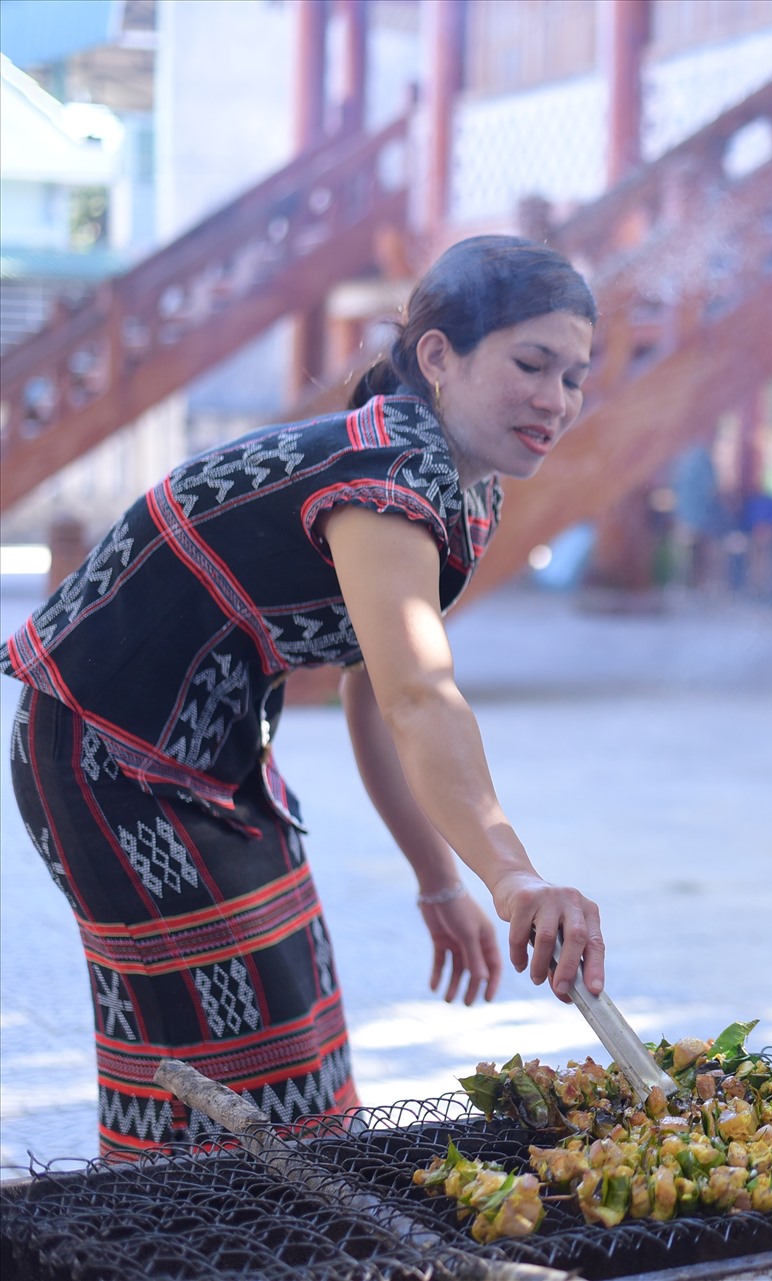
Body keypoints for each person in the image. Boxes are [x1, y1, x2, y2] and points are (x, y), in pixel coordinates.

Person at [2, 236, 608, 1154]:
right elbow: (421, 695)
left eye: (574, 376)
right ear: (439, 356)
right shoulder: (391, 469)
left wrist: (441, 877)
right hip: (104, 749)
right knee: (211, 1053)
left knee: (296, 1015)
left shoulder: (462, 486)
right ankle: (177, 1241)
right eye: (532, 364)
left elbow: (376, 689)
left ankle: (278, 1233)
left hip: (218, 753)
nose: (556, 400)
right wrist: (513, 873)